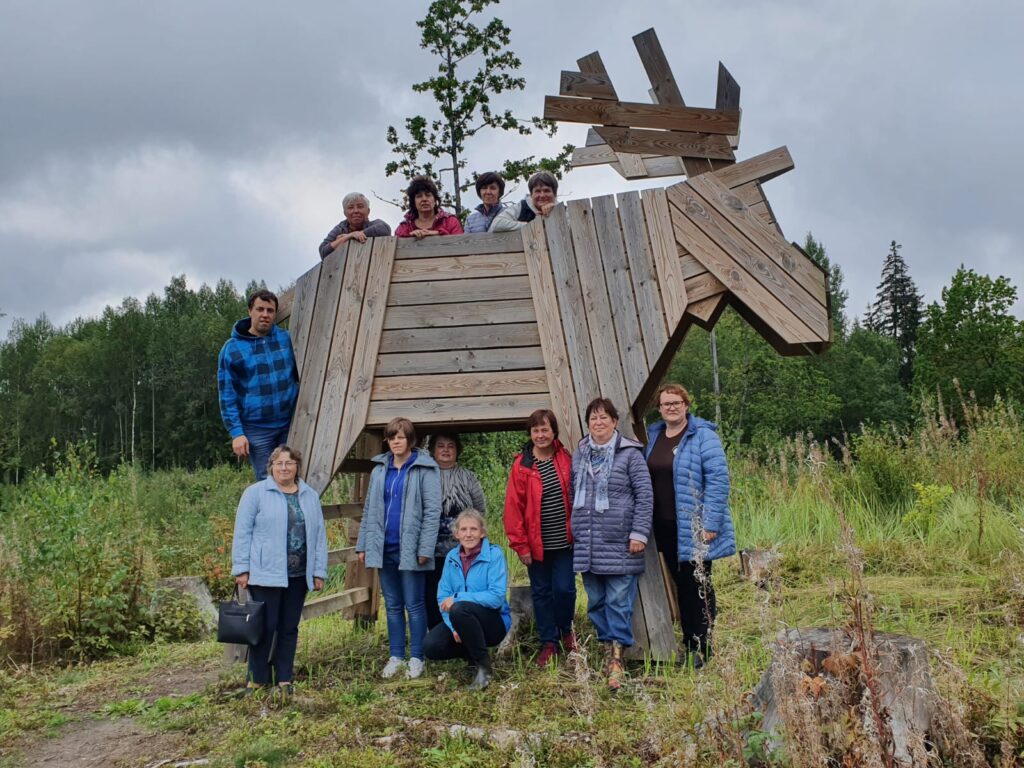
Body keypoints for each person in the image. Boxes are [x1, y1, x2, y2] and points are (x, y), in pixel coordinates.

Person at [645, 384, 734, 668]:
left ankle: (704, 646)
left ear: (686, 404)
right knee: (679, 584)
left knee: (698, 583)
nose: (671, 407)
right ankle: (689, 641)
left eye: (676, 402)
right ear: (659, 409)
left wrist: (710, 523)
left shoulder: (703, 436)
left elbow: (719, 480)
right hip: (664, 525)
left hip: (694, 525)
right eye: (665, 403)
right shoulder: (653, 436)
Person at [231, 445, 328, 695]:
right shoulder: (256, 493)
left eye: (289, 462)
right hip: (265, 573)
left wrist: (319, 571)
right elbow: (242, 532)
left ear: (297, 467)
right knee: (264, 627)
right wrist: (241, 568)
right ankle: (256, 680)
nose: (284, 467)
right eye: (279, 463)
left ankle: (284, 678)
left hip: (297, 575)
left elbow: (319, 537)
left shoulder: (309, 496)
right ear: (271, 467)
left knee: (288, 627)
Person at [571, 398, 653, 691]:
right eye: (593, 418)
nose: (599, 422)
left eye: (604, 417)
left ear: (615, 422)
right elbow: (573, 495)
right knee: (595, 602)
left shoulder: (630, 455)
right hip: (588, 542)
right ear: (588, 423)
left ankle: (618, 659)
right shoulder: (580, 455)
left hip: (619, 542)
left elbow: (645, 496)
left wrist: (639, 533)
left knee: (619, 601)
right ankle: (607, 651)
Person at [356, 417, 441, 680]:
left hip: (412, 549)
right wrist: (363, 544)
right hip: (384, 548)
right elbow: (369, 508)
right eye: (392, 437)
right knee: (392, 604)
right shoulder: (380, 469)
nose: (396, 441)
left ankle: (417, 656)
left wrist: (425, 546)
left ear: (410, 440)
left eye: (401, 437)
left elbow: (432, 511)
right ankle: (396, 656)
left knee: (414, 605)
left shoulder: (425, 469)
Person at [503, 409, 576, 667]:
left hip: (565, 541)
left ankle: (566, 630)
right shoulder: (522, 466)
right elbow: (513, 509)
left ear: (553, 431)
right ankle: (549, 642)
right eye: (536, 430)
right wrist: (521, 545)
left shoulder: (565, 458)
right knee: (542, 592)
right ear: (530, 434)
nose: (540, 435)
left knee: (564, 589)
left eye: (545, 429)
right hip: (536, 545)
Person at [424, 509, 511, 691]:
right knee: (431, 646)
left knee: (459, 608)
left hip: (494, 622)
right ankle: (471, 656)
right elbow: (442, 597)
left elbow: (496, 597)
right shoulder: (451, 558)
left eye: (473, 529)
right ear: (456, 534)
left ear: (482, 532)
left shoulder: (494, 555)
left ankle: (484, 669)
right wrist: (454, 627)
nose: (468, 534)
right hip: (461, 618)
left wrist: (458, 598)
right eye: (463, 529)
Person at [218, 289, 299, 480]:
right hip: (257, 430)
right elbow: (227, 395)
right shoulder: (232, 348)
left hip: (291, 423)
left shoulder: (286, 339)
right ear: (249, 311)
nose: (265, 315)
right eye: (260, 309)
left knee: (294, 477)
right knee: (268, 482)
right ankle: (271, 511)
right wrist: (236, 433)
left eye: (270, 311)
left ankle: (294, 511)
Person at [427, 432, 486, 630]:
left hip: (462, 547)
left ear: (457, 451)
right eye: (440, 445)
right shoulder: (424, 476)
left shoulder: (468, 477)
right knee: (432, 590)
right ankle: (437, 632)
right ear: (432, 450)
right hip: (431, 547)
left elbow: (480, 510)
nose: (445, 449)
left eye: (450, 446)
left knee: (460, 589)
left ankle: (463, 630)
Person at [318, 192, 392, 259]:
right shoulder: (340, 229)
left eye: (360, 206)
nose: (356, 211)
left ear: (368, 211)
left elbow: (385, 229)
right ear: (345, 213)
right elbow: (323, 251)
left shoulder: (375, 224)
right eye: (350, 207)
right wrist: (350, 235)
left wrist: (351, 237)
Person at [394, 176, 464, 239]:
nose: (424, 199)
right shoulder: (404, 227)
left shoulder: (450, 222)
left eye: (428, 195)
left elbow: (461, 245)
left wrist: (438, 234)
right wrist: (410, 238)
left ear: (435, 199)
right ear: (413, 202)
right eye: (419, 196)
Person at [489, 170, 559, 232]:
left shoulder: (564, 210)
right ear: (531, 195)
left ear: (555, 194)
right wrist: (531, 226)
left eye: (546, 190)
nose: (542, 195)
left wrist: (554, 213)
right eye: (537, 191)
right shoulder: (521, 207)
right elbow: (496, 224)